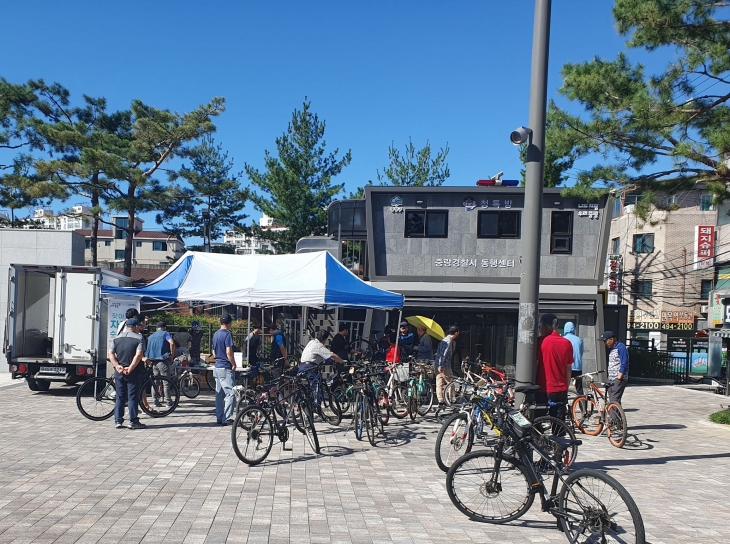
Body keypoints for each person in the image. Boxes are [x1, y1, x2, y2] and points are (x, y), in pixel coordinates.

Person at [108, 318, 147, 429]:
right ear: (135, 327)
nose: (139, 328)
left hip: (119, 372)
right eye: (139, 326)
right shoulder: (139, 338)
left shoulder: (116, 338)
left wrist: (117, 365)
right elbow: (139, 355)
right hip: (133, 372)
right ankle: (133, 421)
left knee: (120, 397)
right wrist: (131, 367)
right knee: (132, 397)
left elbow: (110, 353)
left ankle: (118, 420)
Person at [535, 313, 574, 421]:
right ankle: (558, 437)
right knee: (558, 423)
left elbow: (535, 365)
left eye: (540, 327)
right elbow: (568, 369)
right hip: (560, 388)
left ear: (544, 326)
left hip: (543, 388)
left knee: (538, 422)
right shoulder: (567, 343)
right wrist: (566, 387)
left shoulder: (540, 342)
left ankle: (539, 438)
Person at [298, 330, 346, 396]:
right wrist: (342, 361)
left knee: (306, 390)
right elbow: (332, 355)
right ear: (325, 340)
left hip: (302, 367)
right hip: (310, 369)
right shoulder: (319, 346)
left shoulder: (311, 342)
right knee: (317, 389)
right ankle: (316, 404)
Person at [213, 314, 237, 425]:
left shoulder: (215, 334)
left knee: (219, 394)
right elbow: (229, 352)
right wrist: (233, 363)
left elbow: (213, 352)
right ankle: (227, 418)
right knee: (230, 393)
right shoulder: (227, 334)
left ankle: (219, 416)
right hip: (225, 367)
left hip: (217, 366)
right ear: (229, 323)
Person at [145, 321, 175, 407]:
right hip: (163, 360)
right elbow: (172, 343)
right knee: (166, 382)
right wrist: (171, 355)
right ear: (164, 327)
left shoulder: (150, 337)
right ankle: (168, 401)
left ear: (156, 328)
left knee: (155, 382)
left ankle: (155, 401)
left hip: (152, 361)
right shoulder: (166, 333)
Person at [598, 330, 629, 405]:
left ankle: (613, 417)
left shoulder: (621, 347)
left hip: (618, 379)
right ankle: (617, 416)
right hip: (611, 379)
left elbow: (624, 362)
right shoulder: (612, 349)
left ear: (611, 339)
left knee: (614, 401)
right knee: (614, 400)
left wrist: (619, 377)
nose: (605, 343)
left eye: (605, 341)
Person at [434, 325, 459, 408]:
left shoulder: (444, 340)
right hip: (445, 365)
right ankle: (452, 399)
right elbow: (443, 354)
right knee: (451, 382)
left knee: (439, 383)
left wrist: (454, 346)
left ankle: (440, 401)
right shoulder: (448, 342)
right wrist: (441, 365)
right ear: (456, 333)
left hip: (437, 364)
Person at [563, 322, 584, 398]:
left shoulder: (563, 339)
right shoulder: (579, 340)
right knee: (579, 388)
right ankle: (583, 407)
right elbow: (581, 353)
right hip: (578, 367)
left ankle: (564, 404)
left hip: (566, 367)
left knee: (564, 387)